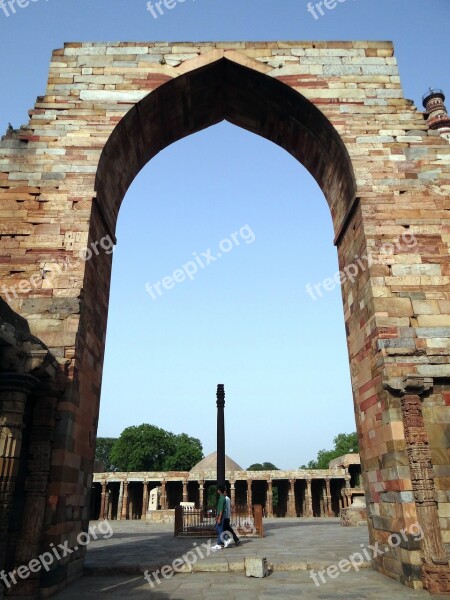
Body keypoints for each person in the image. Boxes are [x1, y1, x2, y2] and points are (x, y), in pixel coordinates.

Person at [212, 485, 226, 550]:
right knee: (217, 528)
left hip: (222, 516)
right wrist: (217, 516)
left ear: (220, 491)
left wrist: (219, 518)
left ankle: (219, 544)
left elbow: (221, 510)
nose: (217, 491)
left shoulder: (222, 498)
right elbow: (219, 508)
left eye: (218, 490)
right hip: (220, 516)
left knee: (220, 530)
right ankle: (224, 540)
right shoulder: (221, 498)